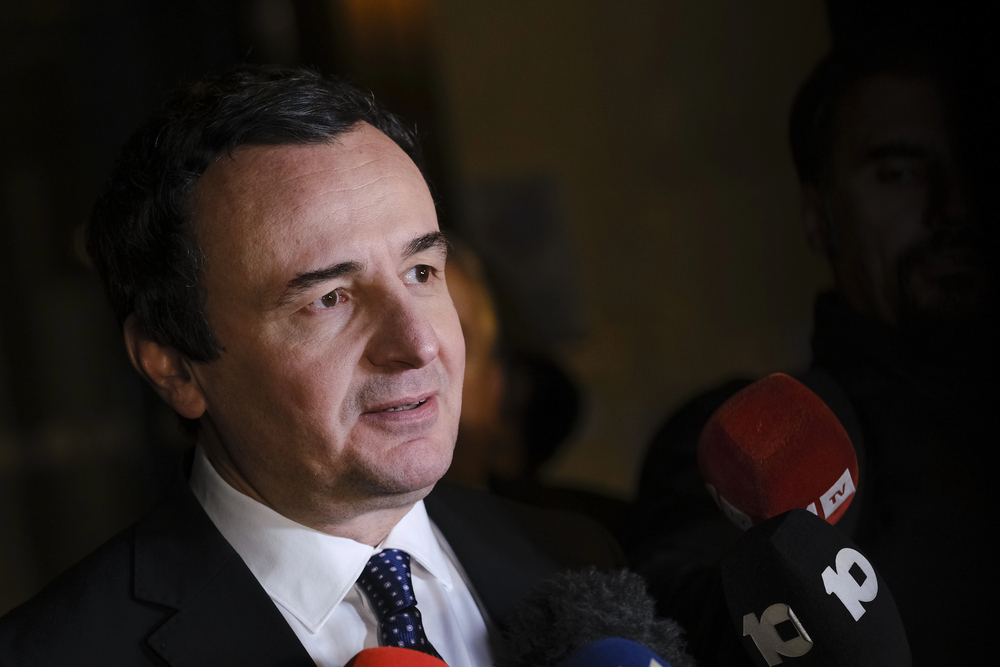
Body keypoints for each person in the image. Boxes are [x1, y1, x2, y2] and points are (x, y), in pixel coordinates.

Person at [0, 65, 624, 666]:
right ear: (174, 366)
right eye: (329, 299)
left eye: (420, 271)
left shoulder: (574, 555)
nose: (418, 344)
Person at [628, 48, 998, 665]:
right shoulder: (761, 438)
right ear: (817, 215)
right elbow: (680, 614)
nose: (953, 206)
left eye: (976, 165)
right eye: (899, 174)